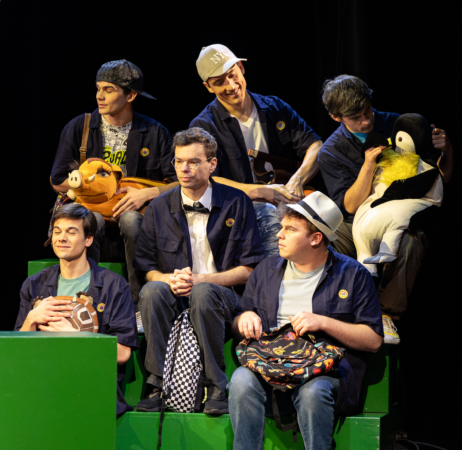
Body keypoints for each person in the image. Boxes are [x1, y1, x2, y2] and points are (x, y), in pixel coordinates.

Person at [228, 192, 383, 450]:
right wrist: (244, 317)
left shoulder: (353, 274)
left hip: (325, 371)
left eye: (290, 229)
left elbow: (374, 340)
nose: (279, 235)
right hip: (271, 364)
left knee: (313, 392)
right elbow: (236, 325)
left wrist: (324, 322)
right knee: (241, 381)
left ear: (315, 238)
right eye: (282, 227)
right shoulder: (265, 270)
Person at [134, 128, 263, 415]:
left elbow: (248, 269)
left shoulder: (236, 203)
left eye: (193, 161)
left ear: (212, 164)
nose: (184, 168)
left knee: (203, 292)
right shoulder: (158, 208)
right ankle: (157, 385)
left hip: (222, 296)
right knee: (152, 291)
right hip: (175, 294)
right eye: (179, 161)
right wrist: (167, 279)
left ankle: (216, 386)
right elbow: (147, 269)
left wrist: (202, 280)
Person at [317, 74, 454, 343]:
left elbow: (443, 177)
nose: (366, 121)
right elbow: (350, 206)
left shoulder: (398, 123)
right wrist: (368, 165)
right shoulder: (331, 151)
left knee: (409, 241)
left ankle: (386, 314)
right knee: (321, 238)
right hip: (357, 220)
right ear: (336, 117)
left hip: (401, 215)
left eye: (367, 111)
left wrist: (447, 150)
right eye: (356, 118)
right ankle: (336, 312)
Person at [50, 59, 178, 327]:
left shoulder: (155, 132)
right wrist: (90, 191)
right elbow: (57, 180)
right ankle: (87, 305)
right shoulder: (80, 127)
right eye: (98, 88)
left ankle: (138, 307)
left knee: (131, 219)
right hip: (93, 216)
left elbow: (179, 183)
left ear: (131, 95)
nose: (100, 96)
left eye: (109, 90)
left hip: (134, 220)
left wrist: (146, 194)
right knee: (91, 219)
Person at [190, 44, 323, 257]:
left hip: (286, 200)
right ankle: (277, 275)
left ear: (241, 68)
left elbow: (315, 146)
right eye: (219, 82)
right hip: (240, 207)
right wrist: (259, 192)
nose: (231, 85)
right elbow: (206, 180)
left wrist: (297, 180)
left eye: (232, 75)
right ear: (208, 87)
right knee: (268, 215)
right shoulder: (204, 126)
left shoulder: (275, 107)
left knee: (326, 219)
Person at [15, 203, 138, 416]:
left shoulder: (114, 286)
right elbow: (17, 350)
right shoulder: (34, 285)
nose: (61, 238)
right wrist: (31, 319)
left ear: (88, 239)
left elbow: (122, 353)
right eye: (57, 232)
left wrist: (75, 336)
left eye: (71, 232)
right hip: (42, 380)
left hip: (90, 382)